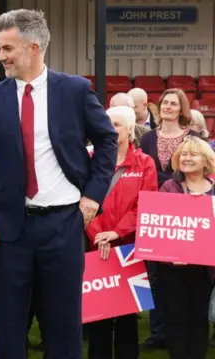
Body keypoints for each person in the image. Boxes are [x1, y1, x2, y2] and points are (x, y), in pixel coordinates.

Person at [0, 9, 118, 359]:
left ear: (33, 47)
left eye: (7, 48)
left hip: (63, 225)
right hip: (7, 229)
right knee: (8, 323)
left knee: (64, 322)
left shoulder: (76, 90)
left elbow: (108, 140)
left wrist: (93, 195)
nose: (0, 56)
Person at [85, 106, 158, 359]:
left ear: (130, 129)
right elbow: (81, 201)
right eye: (107, 124)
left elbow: (145, 204)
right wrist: (97, 233)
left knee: (127, 314)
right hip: (94, 245)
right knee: (98, 315)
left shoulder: (144, 163)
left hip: (128, 247)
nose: (111, 129)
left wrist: (116, 233)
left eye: (117, 124)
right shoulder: (89, 159)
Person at [139, 88, 199, 351]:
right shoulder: (148, 138)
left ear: (182, 108)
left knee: (182, 273)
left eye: (174, 103)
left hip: (185, 212)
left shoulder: (193, 138)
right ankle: (158, 332)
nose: (168, 107)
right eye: (165, 103)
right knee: (155, 273)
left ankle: (183, 331)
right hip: (153, 211)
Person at [157, 136, 215, 359]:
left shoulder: (213, 190)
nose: (186, 158)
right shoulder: (168, 187)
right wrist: (171, 256)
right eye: (183, 154)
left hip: (205, 270)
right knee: (176, 319)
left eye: (193, 154)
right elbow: (159, 228)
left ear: (206, 160)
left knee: (199, 319)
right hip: (173, 269)